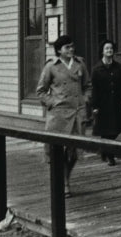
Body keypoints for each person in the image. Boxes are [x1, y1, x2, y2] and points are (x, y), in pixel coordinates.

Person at [35, 35, 90, 196]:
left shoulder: (80, 64)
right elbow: (41, 91)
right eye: (67, 47)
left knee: (74, 150)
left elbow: (88, 85)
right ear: (59, 50)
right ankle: (60, 181)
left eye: (72, 46)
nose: (71, 49)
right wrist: (52, 103)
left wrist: (85, 100)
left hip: (77, 113)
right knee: (56, 150)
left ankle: (66, 179)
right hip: (58, 115)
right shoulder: (51, 66)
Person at [90, 40, 121, 165]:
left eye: (111, 49)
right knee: (106, 130)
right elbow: (94, 89)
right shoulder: (97, 69)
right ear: (102, 51)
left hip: (116, 102)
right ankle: (110, 156)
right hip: (103, 104)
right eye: (107, 48)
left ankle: (105, 150)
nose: (109, 51)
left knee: (117, 128)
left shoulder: (118, 67)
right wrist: (95, 106)